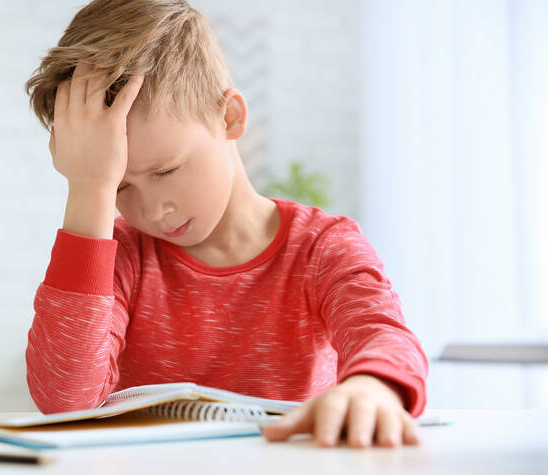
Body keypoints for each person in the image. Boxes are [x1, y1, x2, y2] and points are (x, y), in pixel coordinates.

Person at [24, 0, 428, 449]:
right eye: (119, 188)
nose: (156, 210)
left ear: (230, 117)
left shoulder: (322, 248)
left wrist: (372, 387)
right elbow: (66, 402)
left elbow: (386, 336)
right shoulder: (119, 258)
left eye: (166, 171)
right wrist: (88, 188)